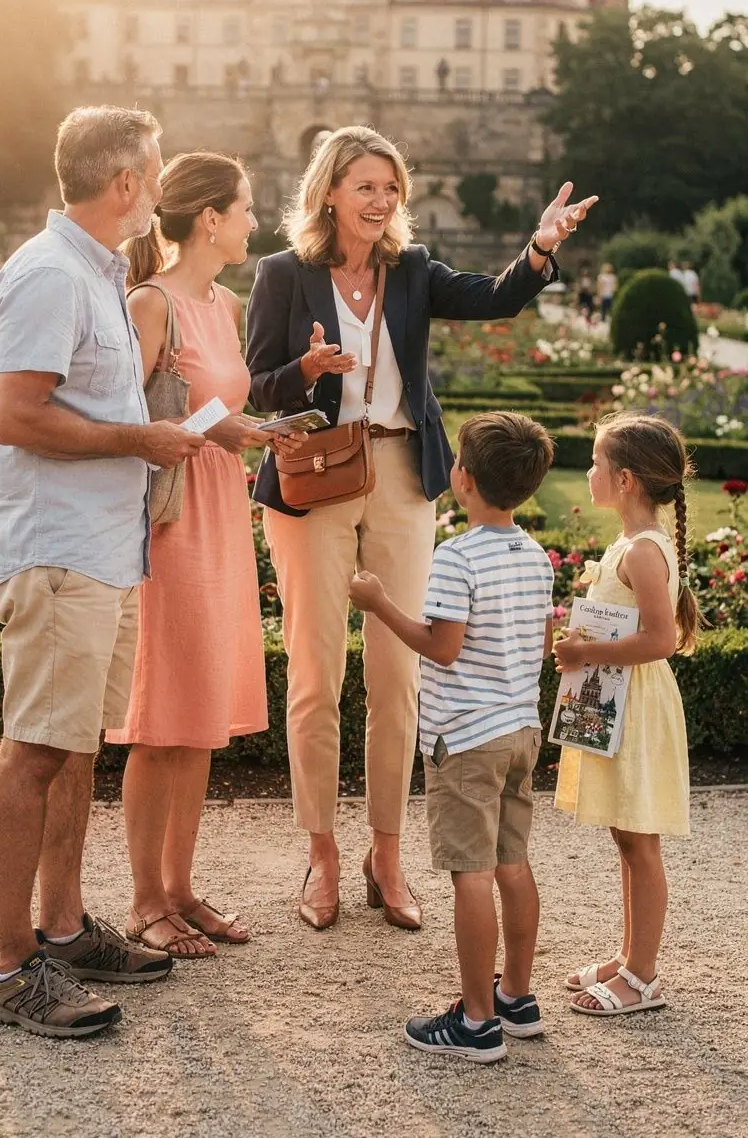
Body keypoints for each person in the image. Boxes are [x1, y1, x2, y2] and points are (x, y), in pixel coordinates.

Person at [245, 124, 597, 933]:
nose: (382, 200)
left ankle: (387, 855)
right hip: (313, 481)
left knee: (399, 680)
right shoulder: (281, 274)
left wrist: (539, 248)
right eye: (366, 185)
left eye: (392, 187)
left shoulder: (411, 272)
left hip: (404, 480)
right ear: (330, 190)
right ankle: (323, 856)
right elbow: (257, 386)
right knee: (314, 679)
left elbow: (493, 296)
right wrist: (306, 371)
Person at [0, 106, 214, 1039]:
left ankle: (65, 931)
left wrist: (183, 431)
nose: (157, 190)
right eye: (152, 175)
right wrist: (140, 439)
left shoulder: (97, 271)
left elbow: (90, 400)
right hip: (55, 549)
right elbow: (16, 417)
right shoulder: (47, 275)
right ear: (123, 186)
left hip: (101, 547)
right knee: (35, 748)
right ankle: (9, 971)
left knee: (74, 746)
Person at [107, 152, 298, 956]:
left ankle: (180, 887)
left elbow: (220, 407)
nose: (256, 221)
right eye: (247, 208)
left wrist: (259, 423)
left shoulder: (224, 302)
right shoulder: (151, 304)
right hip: (171, 522)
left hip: (219, 511)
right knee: (163, 719)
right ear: (210, 218)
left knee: (199, 720)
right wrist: (207, 430)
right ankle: (146, 899)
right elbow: (115, 427)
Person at [351, 412, 556, 1063]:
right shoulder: (536, 557)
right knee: (511, 863)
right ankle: (515, 998)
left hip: (465, 740)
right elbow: (539, 646)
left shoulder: (455, 556)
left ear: (461, 479)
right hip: (521, 731)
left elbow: (443, 648)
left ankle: (475, 1022)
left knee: (470, 874)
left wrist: (381, 604)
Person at [554, 412, 697, 1017]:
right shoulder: (629, 545)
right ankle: (629, 952)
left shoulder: (642, 552)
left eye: (596, 462)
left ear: (627, 479)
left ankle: (643, 975)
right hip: (617, 703)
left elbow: (661, 640)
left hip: (634, 705)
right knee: (625, 834)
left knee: (640, 841)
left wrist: (586, 651)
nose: (590, 472)